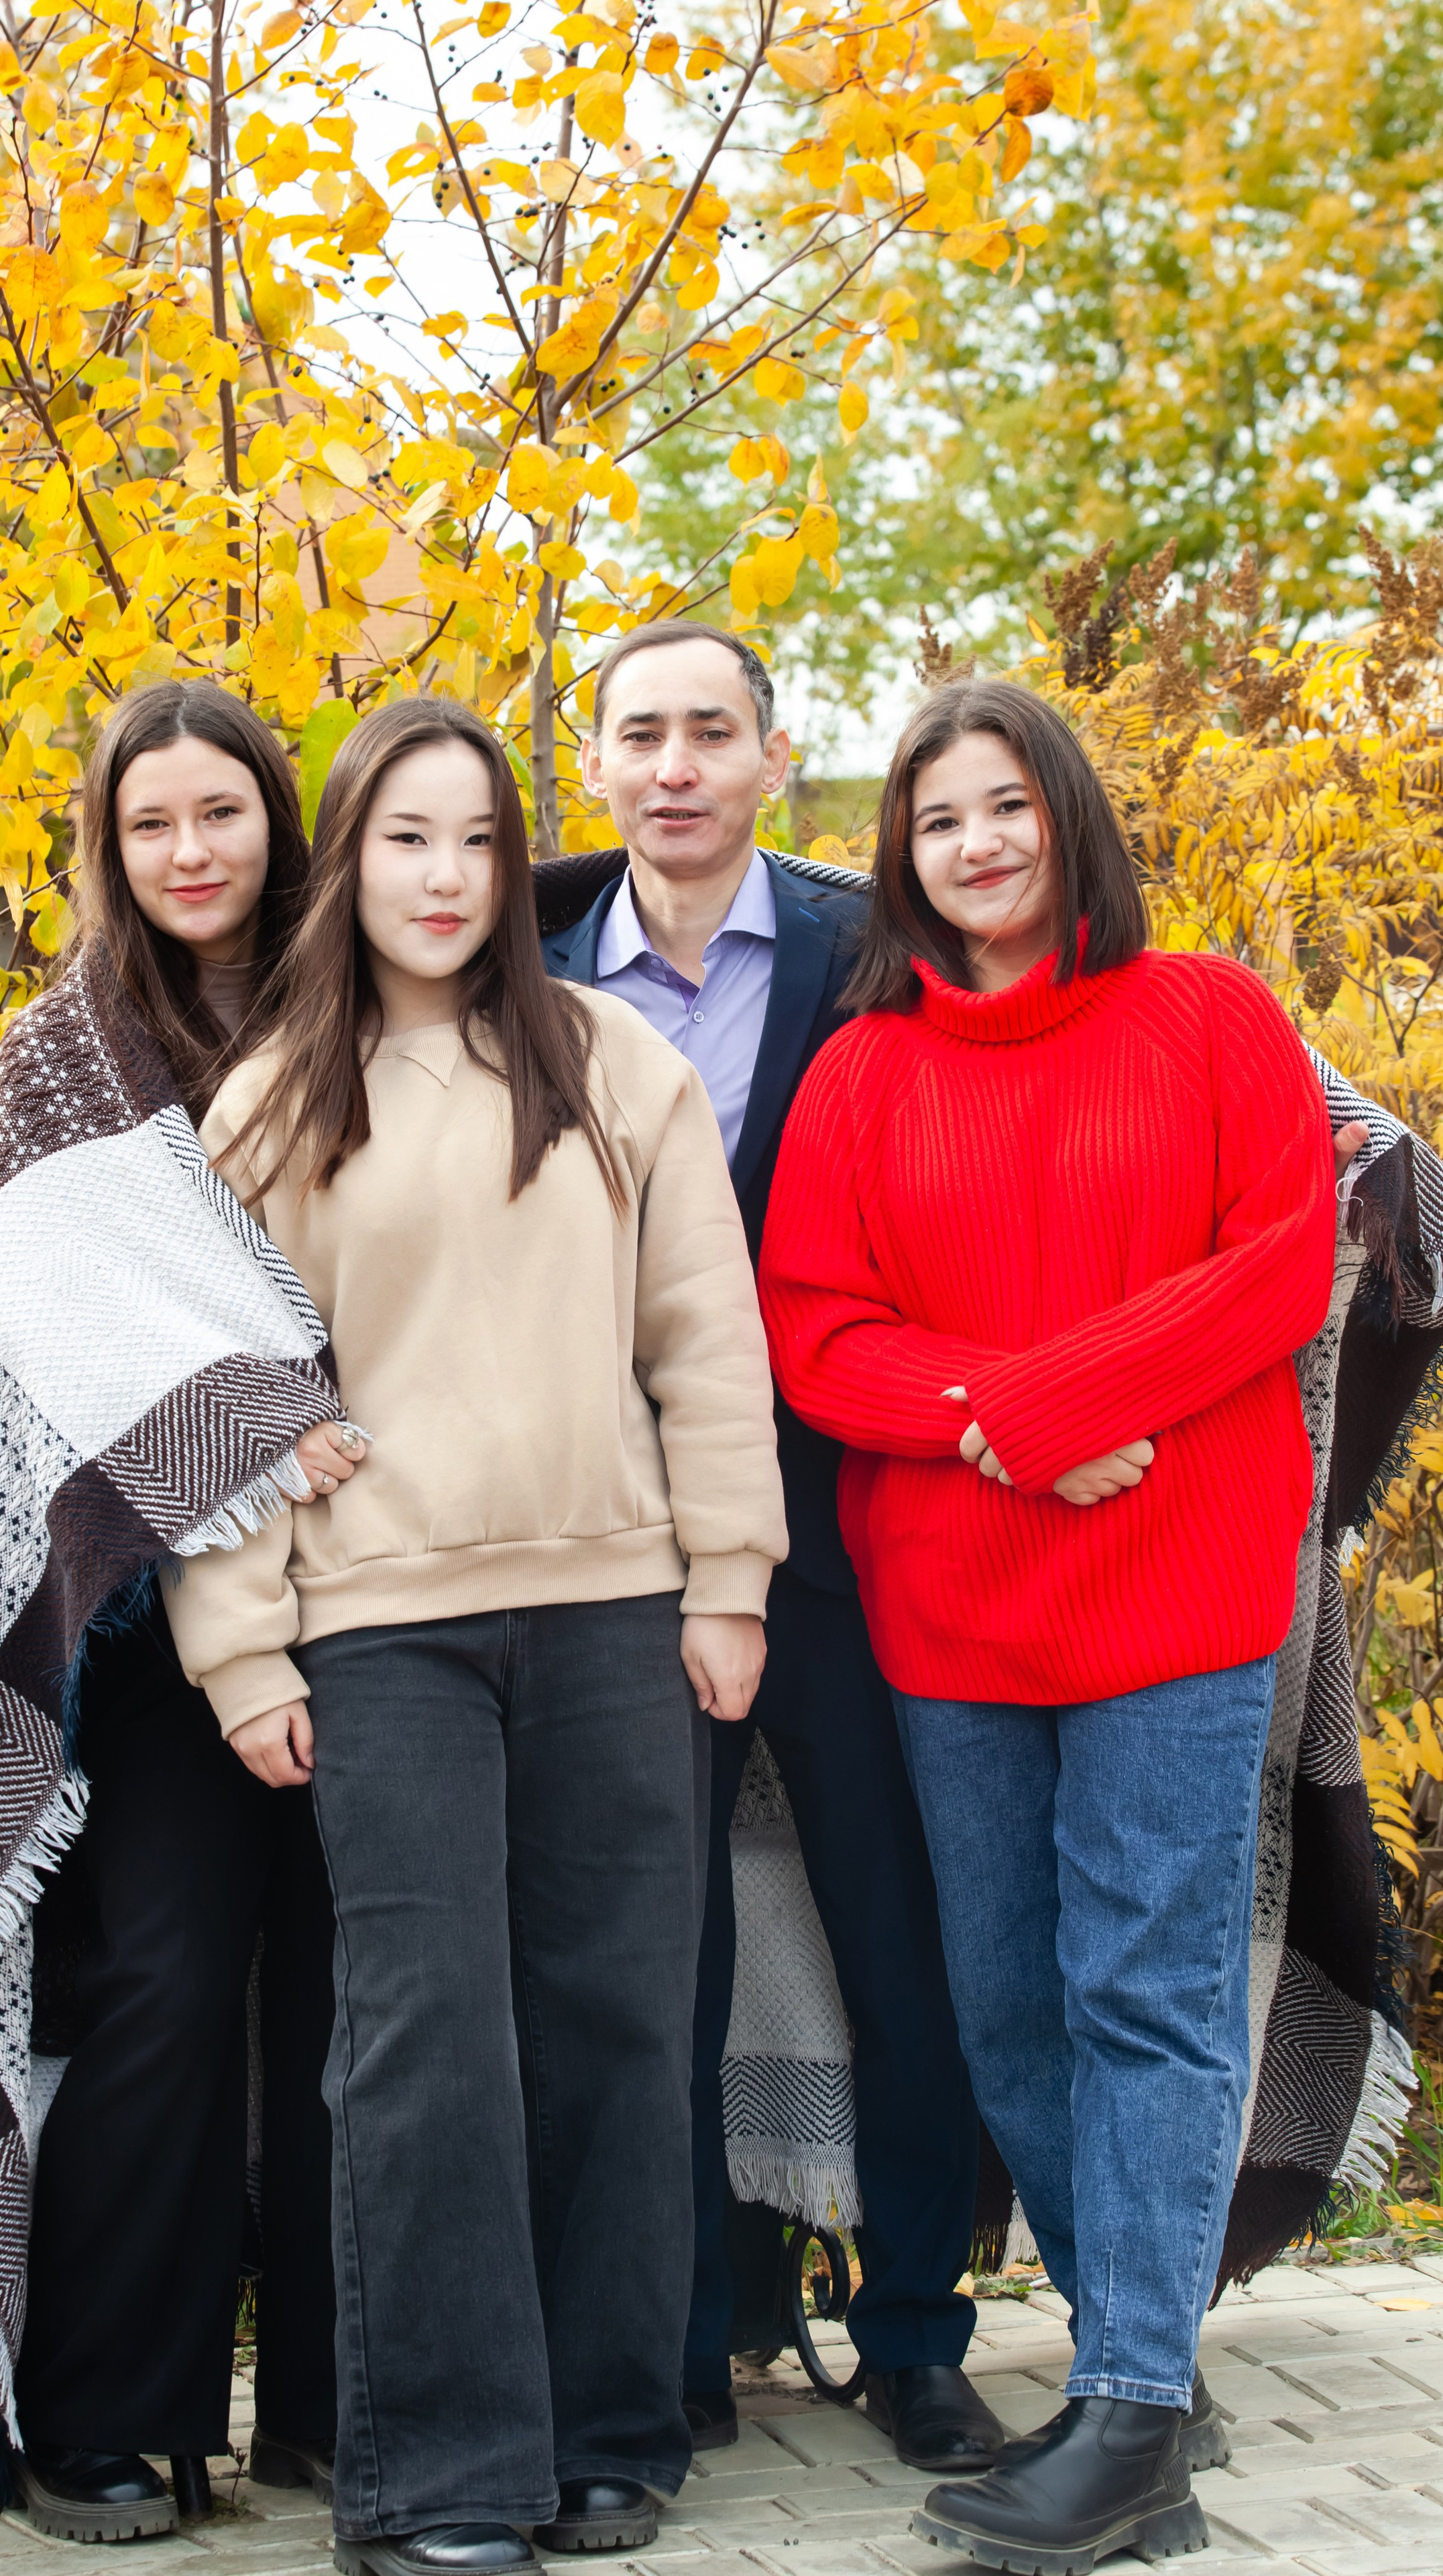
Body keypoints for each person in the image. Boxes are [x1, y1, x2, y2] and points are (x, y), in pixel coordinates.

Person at [164, 696, 788, 2576]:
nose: (440, 878)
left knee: (614, 2022)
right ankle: (437, 2479)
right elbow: (219, 1401)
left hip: (615, 1607)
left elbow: (705, 1340)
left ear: (516, 868)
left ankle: (608, 2437)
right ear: (344, 863)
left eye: (475, 842)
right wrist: (243, 1647)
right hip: (383, 1634)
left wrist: (731, 1576)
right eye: (401, 840)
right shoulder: (272, 1099)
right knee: (425, 2045)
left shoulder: (616, 1067)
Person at [758, 675, 1337, 2571]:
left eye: (1007, 805)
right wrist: (1008, 1432)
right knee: (1008, 1999)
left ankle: (1138, 2410)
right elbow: (818, 1333)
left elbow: (1280, 1263)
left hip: (1175, 1588)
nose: (978, 843)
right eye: (939, 821)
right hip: (953, 1608)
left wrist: (1055, 1406)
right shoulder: (864, 1069)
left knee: (1144, 1989)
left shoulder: (1211, 1017)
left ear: (1065, 817)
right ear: (902, 859)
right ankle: (1129, 2366)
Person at [540, 621, 994, 2473]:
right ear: (593, 759)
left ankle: (916, 2336)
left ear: (771, 751)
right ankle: (676, 2334)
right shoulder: (519, 957)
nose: (675, 765)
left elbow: (1060, 1043)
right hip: (601, 1540)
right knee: (655, 1951)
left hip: (845, 1532)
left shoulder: (872, 946)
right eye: (640, 731)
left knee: (904, 1938)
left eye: (710, 731)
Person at [7, 681, 359, 2536]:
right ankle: (92, 2414)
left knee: (346, 1995)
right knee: (159, 1980)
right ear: (110, 845)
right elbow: (36, 1325)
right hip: (144, 1619)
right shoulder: (61, 1054)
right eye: (152, 824)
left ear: (276, 821)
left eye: (221, 812)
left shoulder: (359, 1010)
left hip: (370, 1579)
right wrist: (248, 1414)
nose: (193, 851)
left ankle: (326, 2395)